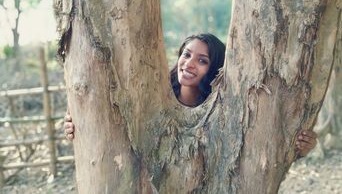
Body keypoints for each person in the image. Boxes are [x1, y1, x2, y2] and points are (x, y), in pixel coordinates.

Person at [64, 33, 317, 156]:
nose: (189, 63)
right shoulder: (151, 93)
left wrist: (301, 147)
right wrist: (78, 123)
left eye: (202, 60)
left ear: (214, 68)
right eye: (187, 54)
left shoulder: (222, 106)